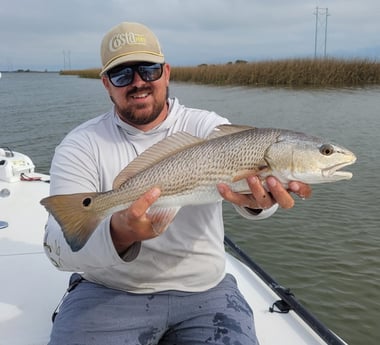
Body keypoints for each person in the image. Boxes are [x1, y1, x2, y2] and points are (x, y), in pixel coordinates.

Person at [44, 21, 312, 345]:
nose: (138, 82)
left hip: (206, 291)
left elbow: (251, 192)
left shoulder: (208, 126)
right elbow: (58, 249)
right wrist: (119, 232)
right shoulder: (80, 144)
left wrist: (260, 205)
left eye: (148, 70)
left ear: (166, 72)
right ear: (106, 84)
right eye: (122, 74)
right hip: (109, 289)